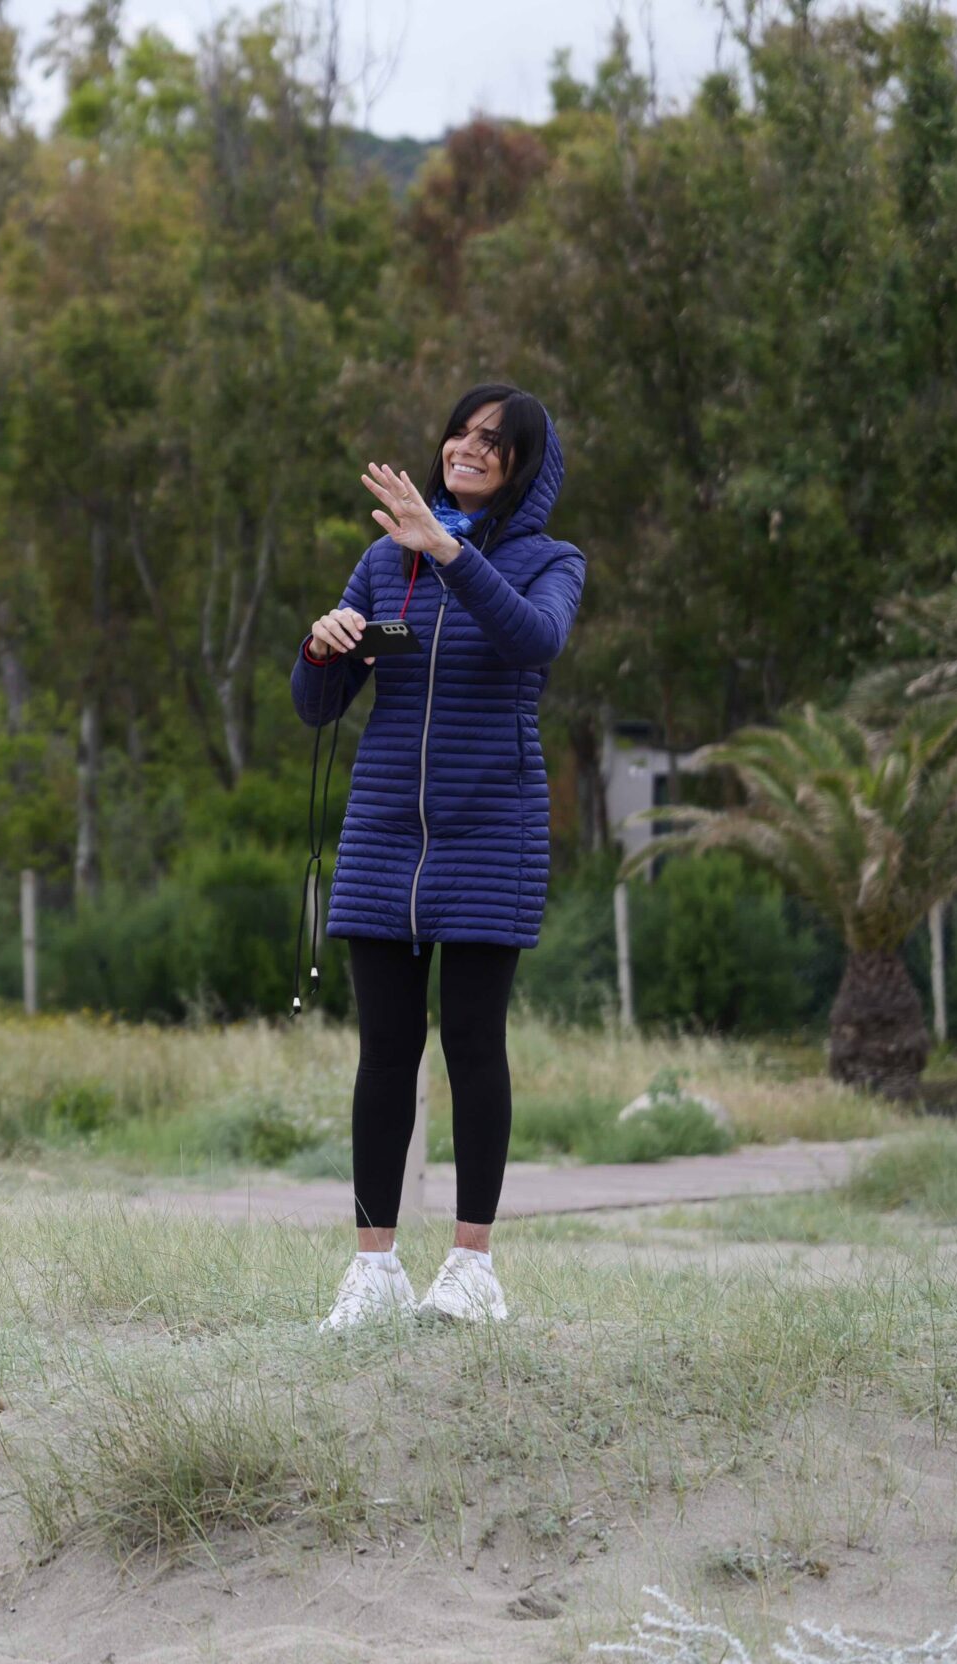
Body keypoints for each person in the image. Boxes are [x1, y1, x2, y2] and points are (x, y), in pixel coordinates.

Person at [291, 385, 584, 1331]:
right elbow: (316, 706)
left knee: (472, 1042)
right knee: (385, 1049)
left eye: (494, 440)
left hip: (492, 829)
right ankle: (373, 1268)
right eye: (461, 432)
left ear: (525, 465)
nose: (469, 447)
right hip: (384, 832)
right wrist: (323, 646)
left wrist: (450, 550)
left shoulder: (551, 561)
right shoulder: (387, 561)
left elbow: (533, 639)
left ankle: (471, 1266)